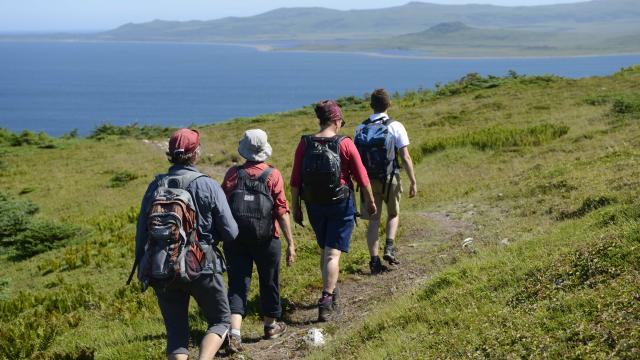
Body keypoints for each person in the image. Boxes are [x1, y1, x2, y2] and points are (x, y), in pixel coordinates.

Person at [134, 128, 238, 360]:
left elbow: (142, 230)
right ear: (196, 152)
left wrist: (143, 262)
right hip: (202, 265)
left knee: (176, 334)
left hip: (163, 266)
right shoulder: (207, 185)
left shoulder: (154, 186)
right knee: (220, 320)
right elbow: (231, 231)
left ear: (170, 153)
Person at [290, 100, 377, 322]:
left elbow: (295, 181)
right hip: (340, 202)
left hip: (313, 204)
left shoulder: (305, 143)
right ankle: (327, 300)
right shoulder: (345, 143)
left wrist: (296, 208)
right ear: (337, 120)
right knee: (332, 253)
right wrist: (370, 201)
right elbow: (362, 176)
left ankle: (332, 288)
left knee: (325, 250)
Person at [221, 129, 296, 353]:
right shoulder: (273, 175)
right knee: (269, 280)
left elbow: (223, 207)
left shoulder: (233, 174)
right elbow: (282, 212)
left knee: (237, 282)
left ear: (244, 150)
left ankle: (234, 333)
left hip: (236, 239)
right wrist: (291, 242)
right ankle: (270, 326)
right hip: (267, 239)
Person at [355, 88, 417, 274]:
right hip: (391, 178)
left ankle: (374, 262)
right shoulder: (395, 126)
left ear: (371, 105)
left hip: (367, 181)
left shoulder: (360, 127)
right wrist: (413, 181)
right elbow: (405, 156)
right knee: (393, 214)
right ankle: (389, 247)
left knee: (373, 220)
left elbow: (356, 160)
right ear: (389, 104)